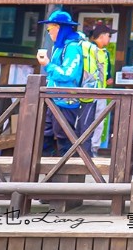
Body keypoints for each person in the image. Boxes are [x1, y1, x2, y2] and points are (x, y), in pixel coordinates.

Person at [35, 10, 84, 156]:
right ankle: (49, 174)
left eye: (50, 28)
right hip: (53, 99)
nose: (48, 32)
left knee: (65, 140)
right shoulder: (59, 47)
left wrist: (48, 64)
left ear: (59, 27)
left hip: (67, 102)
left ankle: (65, 175)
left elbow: (68, 74)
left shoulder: (73, 47)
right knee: (44, 135)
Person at [78, 22, 115, 157]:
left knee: (96, 121)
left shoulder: (100, 51)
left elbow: (105, 74)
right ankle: (89, 151)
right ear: (102, 35)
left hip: (97, 91)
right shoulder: (90, 50)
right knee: (94, 121)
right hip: (92, 92)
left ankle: (91, 150)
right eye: (109, 36)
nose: (109, 39)